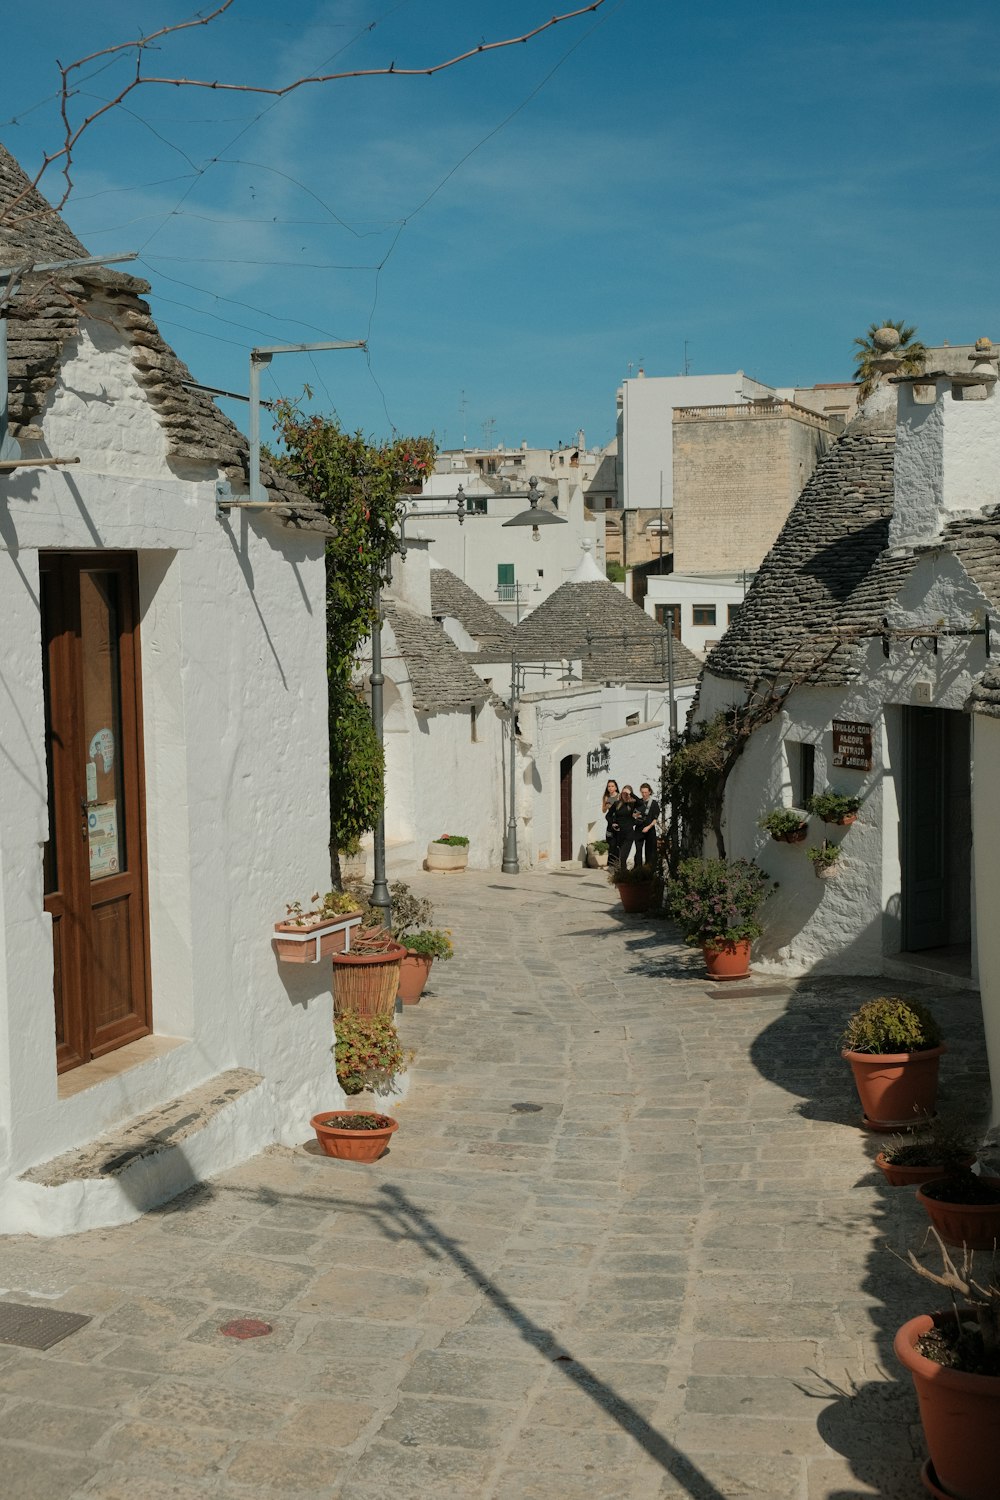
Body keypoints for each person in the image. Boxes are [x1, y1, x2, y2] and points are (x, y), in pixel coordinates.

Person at [635, 781, 661, 868]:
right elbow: (634, 814)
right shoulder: (638, 802)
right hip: (639, 829)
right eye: (642, 792)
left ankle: (648, 869)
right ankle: (638, 869)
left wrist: (648, 827)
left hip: (649, 830)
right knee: (638, 850)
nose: (644, 794)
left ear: (649, 791)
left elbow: (655, 819)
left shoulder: (654, 804)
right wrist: (635, 815)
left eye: (646, 792)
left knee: (649, 851)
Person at [616, 785, 636, 868]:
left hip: (629, 833)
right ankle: (622, 873)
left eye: (627, 793)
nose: (625, 794)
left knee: (623, 856)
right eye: (623, 792)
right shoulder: (618, 804)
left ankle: (623, 874)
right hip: (619, 833)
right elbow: (611, 816)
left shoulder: (633, 804)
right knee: (620, 856)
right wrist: (614, 822)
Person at [602, 779, 621, 863]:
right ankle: (610, 863)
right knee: (610, 842)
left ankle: (617, 862)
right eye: (609, 786)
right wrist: (606, 806)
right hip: (610, 822)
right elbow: (603, 810)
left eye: (612, 786)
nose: (610, 788)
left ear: (616, 787)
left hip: (617, 821)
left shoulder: (619, 796)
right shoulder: (606, 797)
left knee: (617, 843)